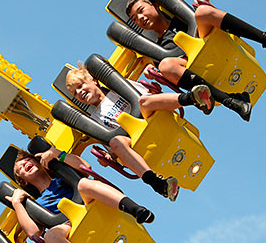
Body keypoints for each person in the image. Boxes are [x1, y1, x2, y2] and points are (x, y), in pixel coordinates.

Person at [10, 149, 156, 243]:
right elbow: (33, 232)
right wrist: (17, 204)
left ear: (38, 160)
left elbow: (85, 167)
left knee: (83, 183)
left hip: (90, 206)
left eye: (27, 161)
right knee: (50, 237)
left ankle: (138, 211)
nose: (24, 164)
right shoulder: (38, 204)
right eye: (20, 168)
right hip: (72, 225)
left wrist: (57, 154)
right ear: (23, 181)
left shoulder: (63, 177)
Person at [125, 0, 266, 121]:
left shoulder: (182, 17)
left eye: (141, 10)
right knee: (165, 65)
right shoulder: (157, 51)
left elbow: (206, 17)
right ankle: (231, 101)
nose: (140, 18)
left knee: (202, 12)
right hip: (200, 68)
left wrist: (204, 2)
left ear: (155, 4)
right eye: (134, 19)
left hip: (213, 46)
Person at [65, 66, 180, 201]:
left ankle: (190, 98)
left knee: (143, 101)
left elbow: (150, 97)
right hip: (139, 143)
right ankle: (156, 183)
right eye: (75, 93)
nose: (79, 92)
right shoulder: (94, 120)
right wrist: (109, 156)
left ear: (94, 80)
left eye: (80, 85)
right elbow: (114, 149)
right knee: (116, 142)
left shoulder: (120, 87)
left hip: (156, 123)